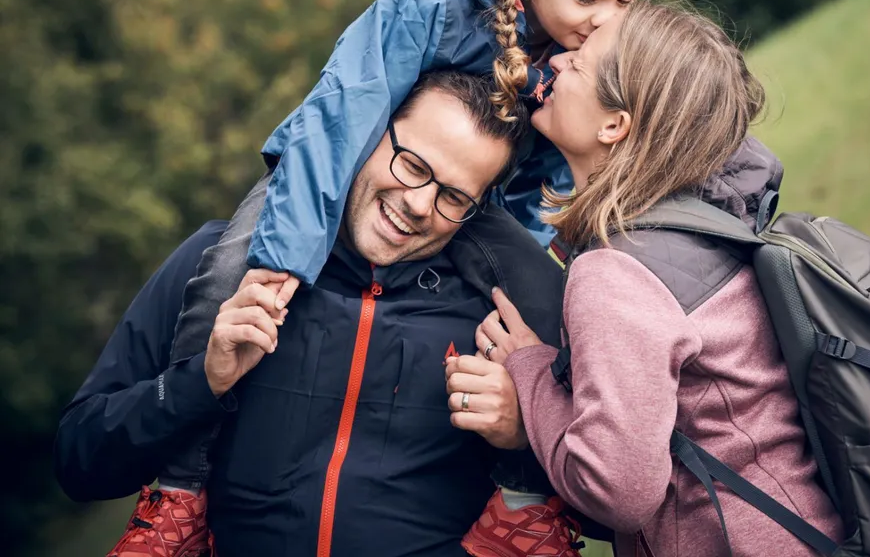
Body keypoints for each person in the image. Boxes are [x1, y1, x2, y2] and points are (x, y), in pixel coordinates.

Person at [109, 0, 696, 556]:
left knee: (544, 302)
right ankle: (176, 494)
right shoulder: (425, 7)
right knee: (226, 274)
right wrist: (284, 259)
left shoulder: (566, 58)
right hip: (327, 174)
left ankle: (525, 506)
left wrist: (512, 263)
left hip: (461, 209)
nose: (607, 20)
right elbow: (335, 127)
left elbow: (536, 187)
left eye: (625, 3)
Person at [56, 72, 593, 557]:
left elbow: (618, 514)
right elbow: (80, 461)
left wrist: (530, 430)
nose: (420, 204)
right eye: (412, 166)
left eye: (454, 196)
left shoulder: (500, 322)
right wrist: (199, 382)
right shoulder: (222, 268)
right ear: (367, 135)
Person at [448, 3, 846, 556]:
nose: (556, 63)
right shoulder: (697, 227)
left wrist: (532, 381)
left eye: (580, 65)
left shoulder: (617, 270)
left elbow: (618, 493)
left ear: (615, 124)